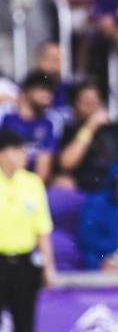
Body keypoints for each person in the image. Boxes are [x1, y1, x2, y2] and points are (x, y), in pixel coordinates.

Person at [0, 129, 57, 332]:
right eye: (16, 150)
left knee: (25, 325)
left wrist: (49, 267)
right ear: (2, 153)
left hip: (25, 264)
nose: (23, 154)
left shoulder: (32, 183)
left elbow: (42, 229)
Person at [55, 81, 118, 192]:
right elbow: (66, 164)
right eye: (85, 101)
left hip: (117, 189)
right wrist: (90, 126)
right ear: (75, 106)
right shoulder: (70, 131)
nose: (91, 106)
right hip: (85, 189)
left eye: (94, 101)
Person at [0, 70, 57, 181]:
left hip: (31, 183)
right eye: (43, 89)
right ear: (27, 90)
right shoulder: (5, 116)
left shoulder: (48, 124)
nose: (48, 95)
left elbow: (44, 166)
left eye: (51, 91)